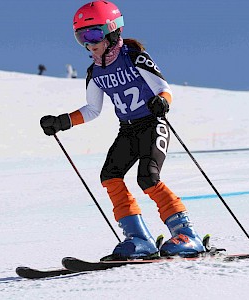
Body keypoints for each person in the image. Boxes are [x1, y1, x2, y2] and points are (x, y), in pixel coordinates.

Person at [40, 1, 205, 259]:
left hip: (152, 124)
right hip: (127, 130)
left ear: (112, 30)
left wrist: (162, 102)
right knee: (110, 175)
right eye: (81, 37)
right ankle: (139, 239)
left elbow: (165, 89)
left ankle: (187, 235)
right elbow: (92, 110)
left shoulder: (135, 57)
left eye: (93, 34)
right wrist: (62, 121)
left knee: (148, 177)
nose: (88, 42)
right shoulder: (95, 71)